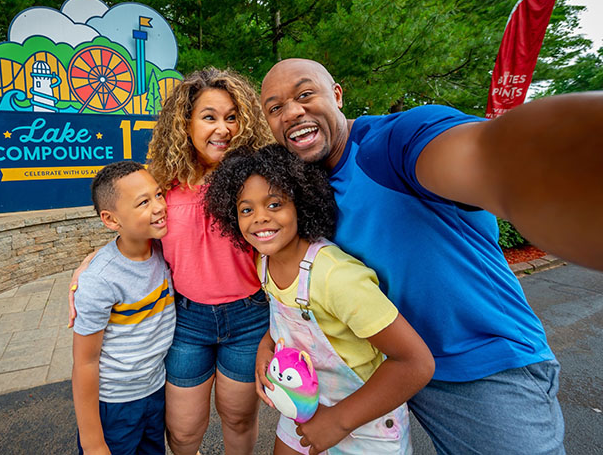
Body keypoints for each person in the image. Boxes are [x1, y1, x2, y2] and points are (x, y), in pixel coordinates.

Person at [258, 58, 603, 454]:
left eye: (305, 94)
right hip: (381, 370)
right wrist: (271, 338)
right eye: (275, 107)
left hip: (480, 367)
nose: (293, 111)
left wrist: (534, 163)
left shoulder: (391, 143)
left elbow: (477, 156)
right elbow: (311, 281)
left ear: (336, 94)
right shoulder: (302, 189)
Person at [204, 144, 434, 454]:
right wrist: (265, 347)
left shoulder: (337, 277)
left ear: (300, 203)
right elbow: (285, 321)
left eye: (274, 204)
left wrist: (338, 421)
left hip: (366, 423)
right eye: (246, 209)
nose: (259, 218)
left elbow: (416, 363)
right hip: (304, 411)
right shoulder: (263, 263)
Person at [147, 68, 274, 455]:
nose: (223, 128)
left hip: (249, 316)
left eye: (232, 116)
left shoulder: (258, 177)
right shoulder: (161, 181)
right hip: (186, 319)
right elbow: (133, 237)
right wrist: (90, 264)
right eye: (210, 116)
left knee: (237, 418)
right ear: (185, 123)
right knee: (184, 431)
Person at [72, 161, 176, 455]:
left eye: (158, 194)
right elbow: (84, 363)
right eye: (143, 202)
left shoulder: (163, 250)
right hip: (114, 404)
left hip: (155, 392)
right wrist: (93, 441)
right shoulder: (100, 280)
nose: (159, 207)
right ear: (111, 219)